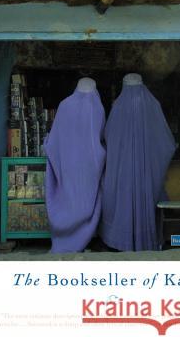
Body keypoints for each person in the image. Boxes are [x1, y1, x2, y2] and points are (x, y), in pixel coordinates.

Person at [98, 73, 176, 251]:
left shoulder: (118, 107)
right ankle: (146, 240)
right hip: (146, 172)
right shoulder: (153, 105)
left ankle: (122, 241)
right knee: (146, 201)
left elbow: (109, 137)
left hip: (123, 171)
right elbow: (166, 142)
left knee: (123, 201)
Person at [43, 77, 106, 253]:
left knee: (69, 198)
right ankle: (84, 238)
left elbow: (56, 139)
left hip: (68, 165)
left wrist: (47, 144)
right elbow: (100, 137)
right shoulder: (97, 107)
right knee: (86, 200)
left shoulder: (64, 105)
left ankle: (65, 237)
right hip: (89, 166)